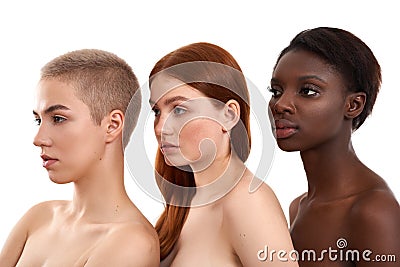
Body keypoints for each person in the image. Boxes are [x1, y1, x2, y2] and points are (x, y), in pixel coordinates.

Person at [0, 49, 159, 266]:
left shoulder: (131, 244)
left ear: (112, 125)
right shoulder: (38, 218)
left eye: (57, 119)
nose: (38, 139)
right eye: (39, 120)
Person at [149, 42, 298, 266]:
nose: (161, 127)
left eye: (179, 109)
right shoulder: (184, 202)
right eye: (157, 111)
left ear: (228, 115)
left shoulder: (249, 202)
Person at [268, 27, 400, 266]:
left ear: (353, 105)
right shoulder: (297, 207)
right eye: (276, 91)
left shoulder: (373, 211)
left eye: (307, 91)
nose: (281, 105)